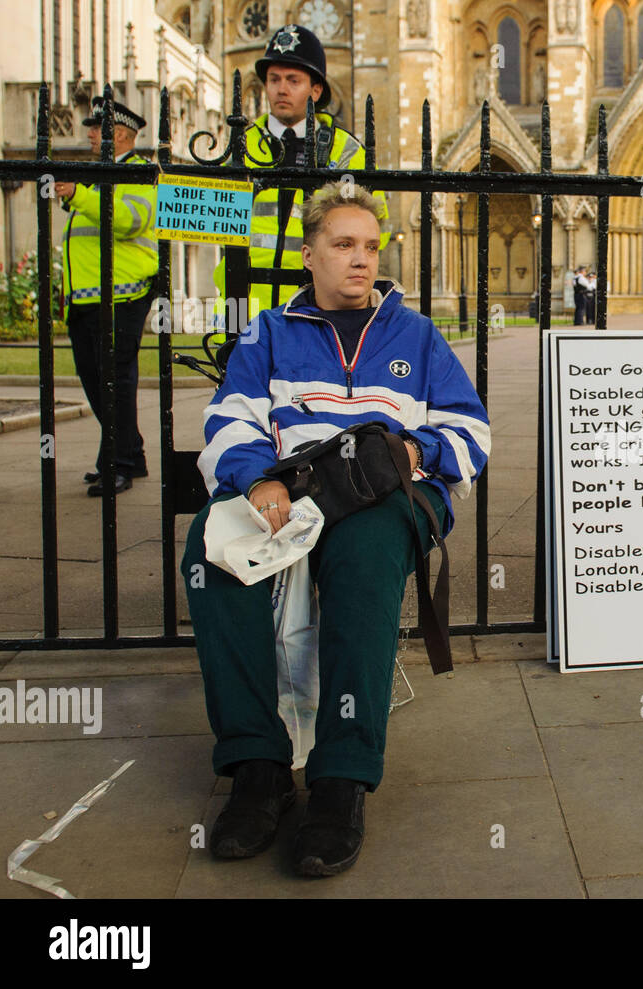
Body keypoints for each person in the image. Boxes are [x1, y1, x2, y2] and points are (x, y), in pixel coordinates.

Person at [183, 181, 490, 875]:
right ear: (308, 255)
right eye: (343, 245)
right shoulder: (268, 331)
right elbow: (229, 418)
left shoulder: (415, 333)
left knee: (366, 553)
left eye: (371, 246)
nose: (361, 260)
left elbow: (470, 428)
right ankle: (257, 766)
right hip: (289, 490)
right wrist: (258, 478)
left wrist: (419, 451)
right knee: (209, 551)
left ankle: (340, 779)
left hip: (390, 494)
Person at [213, 23, 388, 328]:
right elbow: (213, 222)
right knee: (239, 373)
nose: (281, 89)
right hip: (243, 300)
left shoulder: (345, 151)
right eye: (274, 79)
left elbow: (377, 229)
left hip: (316, 304)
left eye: (293, 80)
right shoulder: (240, 146)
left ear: (316, 89)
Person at [54, 97, 157, 496]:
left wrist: (78, 196)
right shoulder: (100, 175)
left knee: (114, 381)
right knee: (96, 381)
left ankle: (121, 463)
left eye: (96, 128)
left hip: (122, 295)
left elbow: (131, 221)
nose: (90, 134)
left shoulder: (137, 173)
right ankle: (128, 451)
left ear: (118, 134)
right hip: (86, 297)